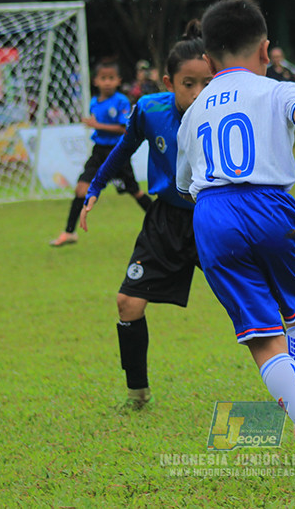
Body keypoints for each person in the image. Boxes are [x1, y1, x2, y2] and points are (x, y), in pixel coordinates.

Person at [176, 0, 295, 473]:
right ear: (265, 49)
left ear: (209, 58)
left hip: (212, 215)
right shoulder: (275, 89)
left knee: (262, 338)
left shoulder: (193, 111)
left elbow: (184, 183)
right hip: (270, 207)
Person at [78, 23, 213, 410]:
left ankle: (290, 389)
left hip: (214, 217)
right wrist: (95, 187)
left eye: (207, 82)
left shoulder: (225, 114)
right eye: (189, 83)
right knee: (128, 303)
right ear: (170, 82)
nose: (199, 93)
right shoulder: (150, 110)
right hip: (166, 219)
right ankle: (138, 392)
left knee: (251, 302)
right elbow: (122, 149)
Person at [49, 61, 152, 247]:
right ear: (96, 81)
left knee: (135, 192)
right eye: (103, 78)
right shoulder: (94, 102)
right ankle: (69, 232)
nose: (107, 82)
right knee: (81, 189)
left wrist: (97, 126)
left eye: (111, 78)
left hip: (117, 153)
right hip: (98, 152)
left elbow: (123, 128)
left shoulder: (121, 101)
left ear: (118, 81)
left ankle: (163, 224)